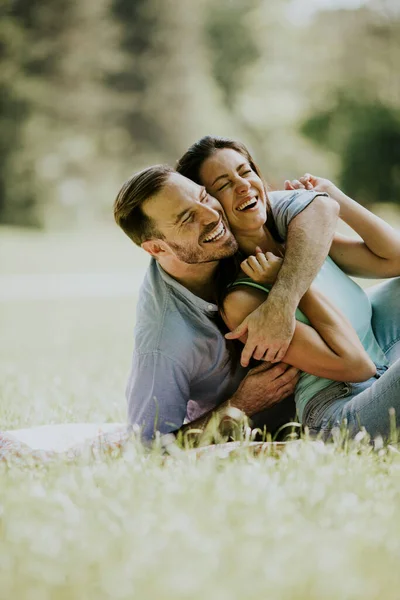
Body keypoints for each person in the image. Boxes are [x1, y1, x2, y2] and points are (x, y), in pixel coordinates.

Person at [176, 136, 400, 441]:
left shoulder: (303, 242)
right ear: (210, 207)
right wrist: (286, 283)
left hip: (383, 365)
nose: (243, 186)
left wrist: (333, 197)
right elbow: (355, 367)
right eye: (224, 185)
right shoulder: (241, 298)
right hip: (338, 410)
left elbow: (395, 260)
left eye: (245, 172)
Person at [113, 164, 339, 441]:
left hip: (346, 360)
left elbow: (321, 209)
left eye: (204, 196)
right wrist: (240, 405)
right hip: (308, 417)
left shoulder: (228, 223)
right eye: (187, 218)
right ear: (157, 248)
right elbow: (148, 447)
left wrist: (283, 299)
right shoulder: (164, 341)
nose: (212, 215)